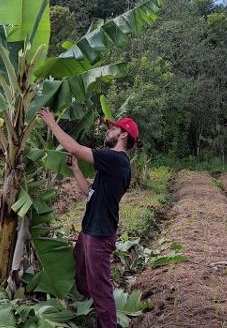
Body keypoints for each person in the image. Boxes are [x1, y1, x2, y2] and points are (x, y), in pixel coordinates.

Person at [37, 108, 139, 328]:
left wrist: (52, 124)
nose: (108, 131)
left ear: (123, 135)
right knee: (81, 271)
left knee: (101, 289)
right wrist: (75, 171)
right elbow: (90, 192)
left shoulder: (116, 159)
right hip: (90, 230)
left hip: (99, 234)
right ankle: (86, 308)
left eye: (113, 128)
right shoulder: (113, 164)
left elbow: (73, 147)